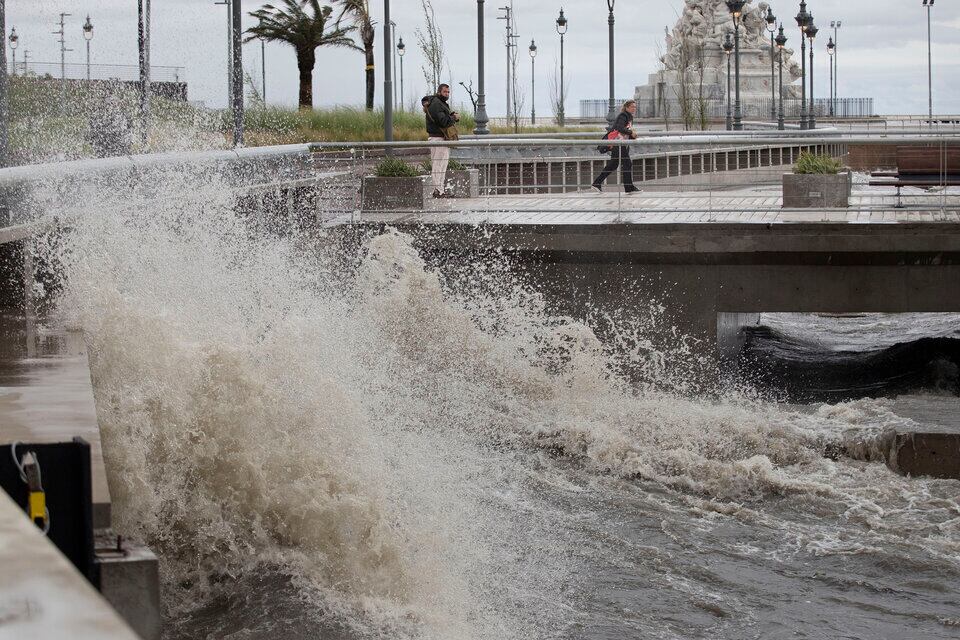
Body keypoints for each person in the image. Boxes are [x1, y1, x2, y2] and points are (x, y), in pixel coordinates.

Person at [592, 100, 639, 193]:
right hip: (618, 143)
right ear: (626, 107)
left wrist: (632, 136)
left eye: (635, 107)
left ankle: (597, 183)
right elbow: (619, 127)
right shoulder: (623, 115)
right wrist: (631, 133)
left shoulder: (629, 117)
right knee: (627, 163)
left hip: (621, 143)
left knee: (613, 165)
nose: (634, 108)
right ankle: (629, 188)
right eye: (632, 107)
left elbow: (624, 131)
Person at [423, 84, 460, 198]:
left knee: (441, 164)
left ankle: (439, 190)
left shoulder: (438, 103)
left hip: (440, 138)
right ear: (439, 92)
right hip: (437, 138)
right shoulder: (436, 104)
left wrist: (450, 115)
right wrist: (454, 118)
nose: (447, 94)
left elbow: (442, 118)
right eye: (445, 92)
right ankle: (438, 190)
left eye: (448, 92)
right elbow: (442, 121)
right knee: (438, 164)